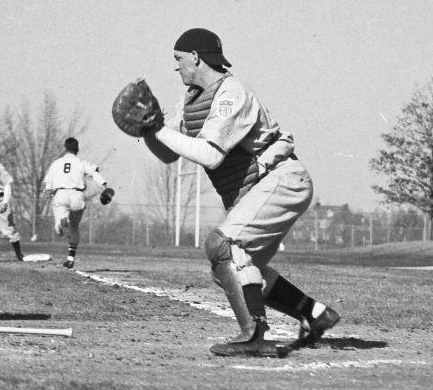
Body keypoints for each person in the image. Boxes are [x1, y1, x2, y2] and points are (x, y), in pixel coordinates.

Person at [133, 28, 340, 358]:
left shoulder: (232, 93)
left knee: (224, 246)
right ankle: (314, 313)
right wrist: (149, 133)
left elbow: (211, 153)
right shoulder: (191, 99)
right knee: (229, 269)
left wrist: (156, 129)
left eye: (178, 59)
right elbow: (169, 153)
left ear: (196, 57)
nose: (177, 68)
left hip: (282, 179)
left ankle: (253, 334)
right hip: (261, 189)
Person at [41, 136, 112, 269]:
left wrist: (49, 192)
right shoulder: (81, 163)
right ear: (77, 149)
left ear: (65, 148)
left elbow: (48, 185)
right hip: (78, 197)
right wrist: (105, 187)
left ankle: (61, 223)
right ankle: (70, 258)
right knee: (74, 228)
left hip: (61, 194)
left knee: (59, 225)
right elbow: (95, 174)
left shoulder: (56, 163)